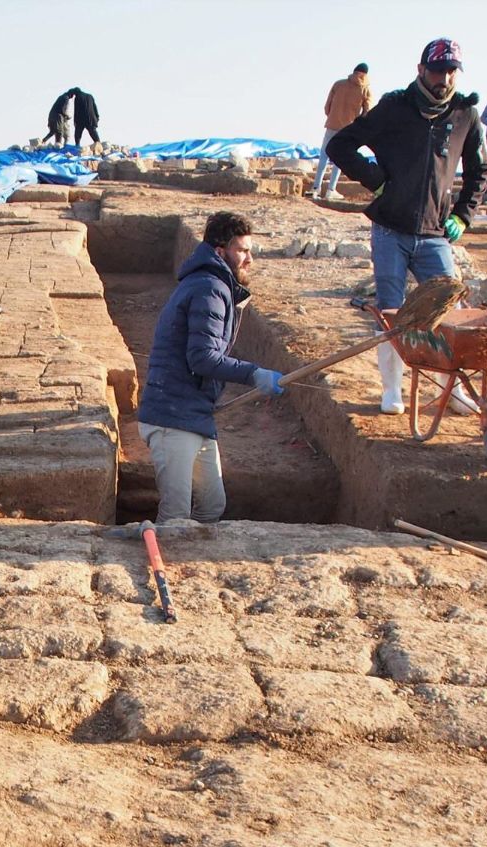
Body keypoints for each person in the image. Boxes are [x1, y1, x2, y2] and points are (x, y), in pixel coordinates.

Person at [326, 37, 487, 415]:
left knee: (452, 311)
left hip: (434, 235)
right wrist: (375, 179)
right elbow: (341, 145)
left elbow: (482, 169)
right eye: (437, 70)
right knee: (392, 311)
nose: (444, 79)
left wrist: (463, 215)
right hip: (391, 231)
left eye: (451, 72)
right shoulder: (395, 108)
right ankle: (391, 391)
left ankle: (454, 391)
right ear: (420, 70)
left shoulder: (465, 115)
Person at [138, 211, 286, 523]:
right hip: (172, 418)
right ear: (220, 252)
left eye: (249, 250)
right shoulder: (210, 289)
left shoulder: (213, 285)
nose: (249, 258)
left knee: (211, 507)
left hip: (194, 415)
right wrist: (253, 373)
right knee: (176, 515)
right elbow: (202, 357)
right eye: (242, 251)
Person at [313, 63, 372, 200]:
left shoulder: (338, 84)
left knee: (323, 157)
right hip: (348, 129)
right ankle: (331, 189)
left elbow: (327, 106)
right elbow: (368, 111)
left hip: (332, 124)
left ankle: (315, 188)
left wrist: (332, 116)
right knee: (340, 159)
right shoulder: (365, 90)